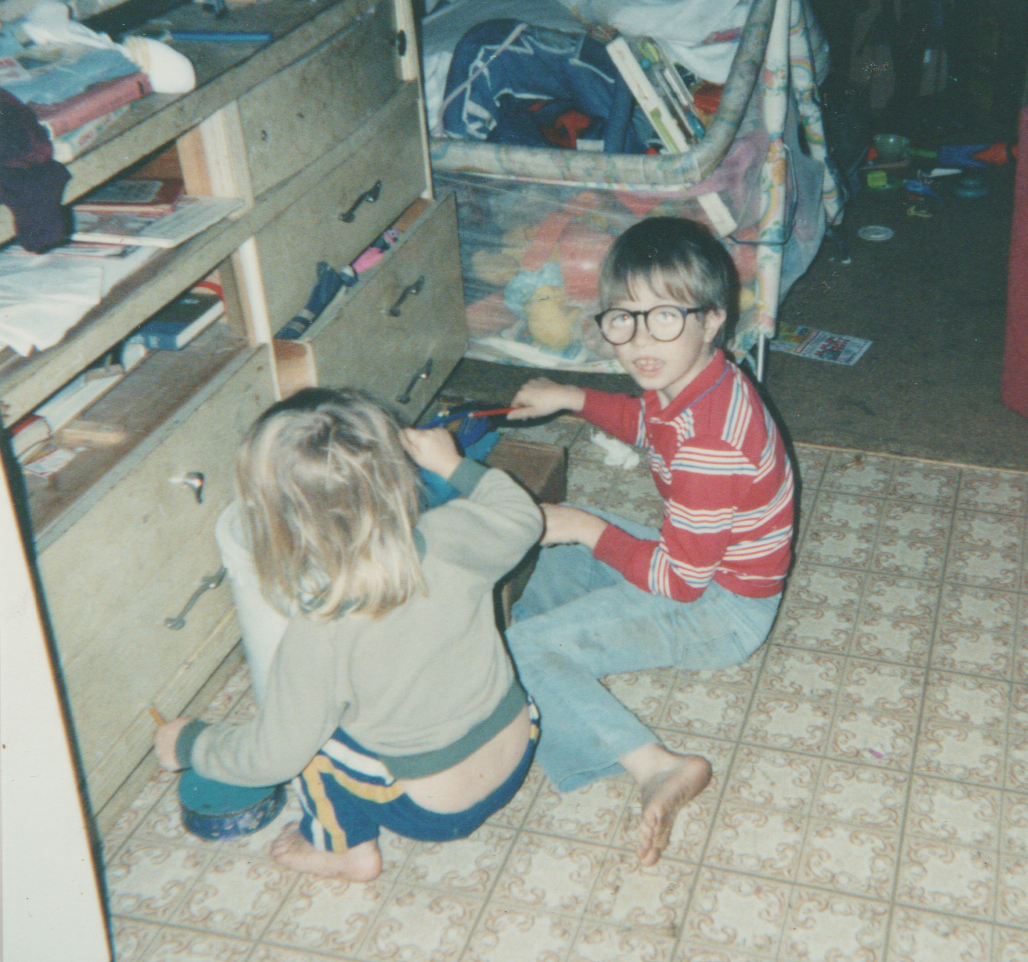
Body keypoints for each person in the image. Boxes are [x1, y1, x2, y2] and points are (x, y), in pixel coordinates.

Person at [153, 388, 545, 881]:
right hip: (520, 743)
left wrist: (191, 744)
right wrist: (453, 465)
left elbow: (274, 755)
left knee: (311, 739)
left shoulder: (322, 627)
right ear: (400, 474)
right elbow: (524, 515)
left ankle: (345, 850)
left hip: (436, 811)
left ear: (276, 520)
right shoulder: (453, 535)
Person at [505, 216, 795, 865]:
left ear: (712, 318)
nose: (640, 340)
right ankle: (541, 666)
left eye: (664, 317)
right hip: (709, 573)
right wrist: (572, 396)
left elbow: (678, 582)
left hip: (720, 610)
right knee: (570, 535)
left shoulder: (710, 445)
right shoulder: (694, 377)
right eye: (623, 319)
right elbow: (644, 420)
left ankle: (655, 764)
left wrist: (582, 527)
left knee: (563, 555)